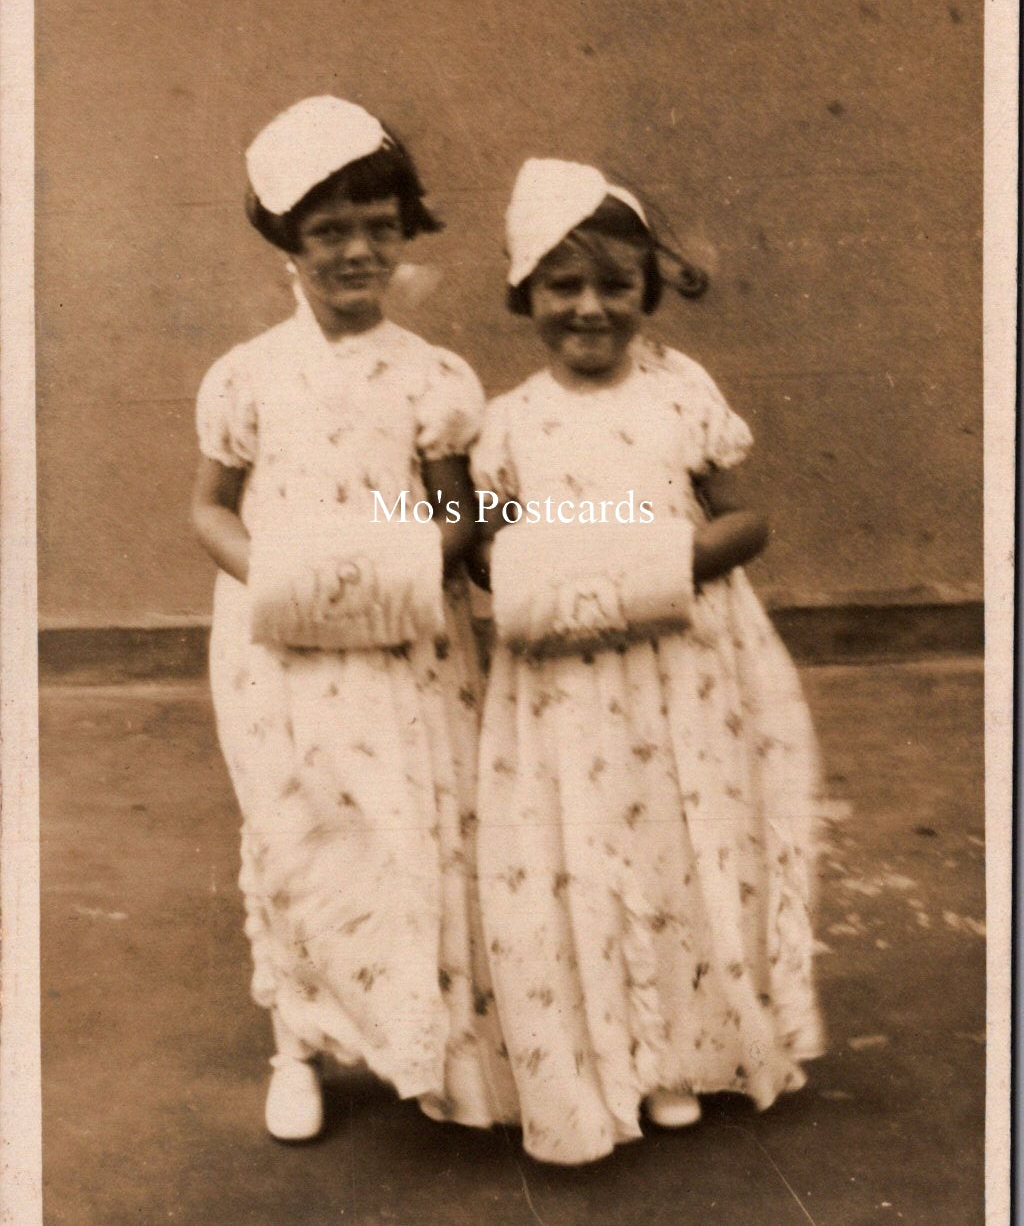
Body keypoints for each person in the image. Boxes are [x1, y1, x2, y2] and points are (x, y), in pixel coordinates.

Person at [468, 157, 824, 1165]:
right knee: (582, 848)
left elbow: (745, 516)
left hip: (680, 669)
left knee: (675, 845)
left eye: (614, 286)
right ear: (524, 292)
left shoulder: (683, 393)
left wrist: (665, 560)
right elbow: (481, 543)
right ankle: (600, 1051)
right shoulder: (508, 422)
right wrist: (522, 564)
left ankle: (678, 1054)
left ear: (647, 292)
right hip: (566, 683)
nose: (589, 308)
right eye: (561, 286)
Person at [191, 96, 511, 1142]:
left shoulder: (432, 377)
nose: (357, 250)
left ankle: (436, 1048)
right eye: (329, 230)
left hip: (402, 645)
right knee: (299, 833)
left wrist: (407, 564)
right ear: (288, 241)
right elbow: (209, 506)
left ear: (405, 230)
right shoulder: (246, 376)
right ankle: (300, 1045)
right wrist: (275, 577)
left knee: (413, 825)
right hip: (278, 648)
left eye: (378, 224)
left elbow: (457, 508)